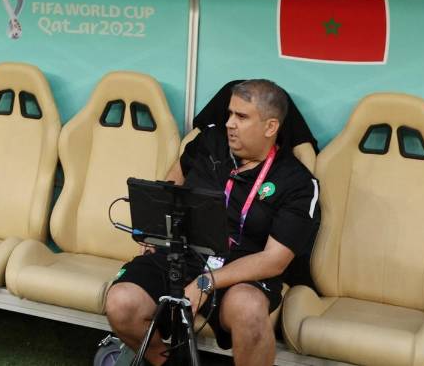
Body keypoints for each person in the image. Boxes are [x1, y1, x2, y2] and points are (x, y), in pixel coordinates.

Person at [105, 79, 321, 366]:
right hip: (181, 255)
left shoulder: (297, 182)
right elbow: (173, 180)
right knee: (121, 302)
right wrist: (157, 228)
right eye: (230, 114)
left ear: (271, 127)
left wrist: (206, 282)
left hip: (242, 271)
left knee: (249, 311)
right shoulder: (209, 143)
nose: (230, 123)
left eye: (241, 117)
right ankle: (165, 363)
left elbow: (274, 260)